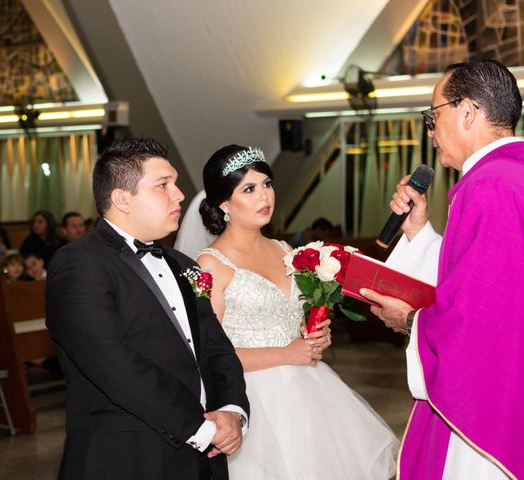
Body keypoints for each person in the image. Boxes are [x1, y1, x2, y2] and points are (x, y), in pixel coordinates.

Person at [46, 137, 249, 480]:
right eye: (163, 184)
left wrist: (232, 410)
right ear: (122, 199)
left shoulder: (182, 264)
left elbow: (216, 346)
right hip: (127, 458)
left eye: (175, 182)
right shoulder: (79, 264)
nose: (180, 194)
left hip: (204, 457)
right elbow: (113, 365)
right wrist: (200, 428)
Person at [194, 145, 398, 480]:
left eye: (267, 184)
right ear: (223, 204)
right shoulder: (210, 264)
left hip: (308, 391)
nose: (265, 197)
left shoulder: (284, 250)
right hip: (251, 401)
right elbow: (208, 354)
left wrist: (314, 334)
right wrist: (287, 352)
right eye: (249, 189)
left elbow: (292, 320)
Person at [360, 60, 523, 479]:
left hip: (490, 403)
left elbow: (480, 318)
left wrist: (411, 321)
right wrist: (419, 232)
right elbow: (485, 282)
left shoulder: (488, 186)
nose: (430, 132)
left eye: (433, 117)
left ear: (468, 112)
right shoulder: (511, 175)